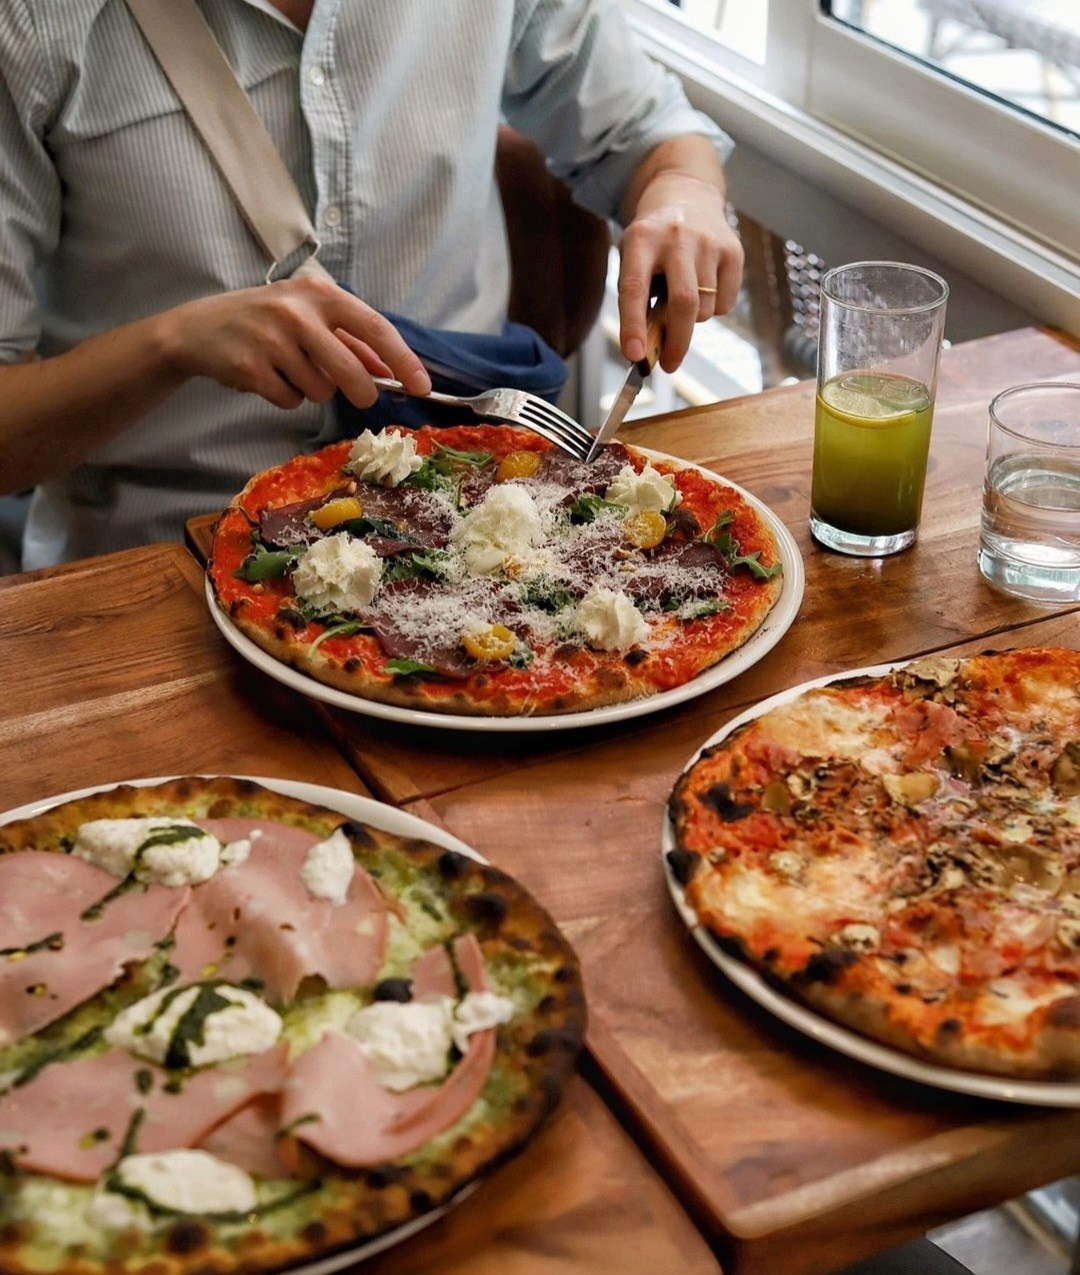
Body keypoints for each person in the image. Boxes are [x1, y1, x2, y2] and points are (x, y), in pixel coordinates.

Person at [0, 0, 743, 569]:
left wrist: (683, 193)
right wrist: (172, 345)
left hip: (479, 539)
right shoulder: (29, 23)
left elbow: (650, 132)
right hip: (162, 563)